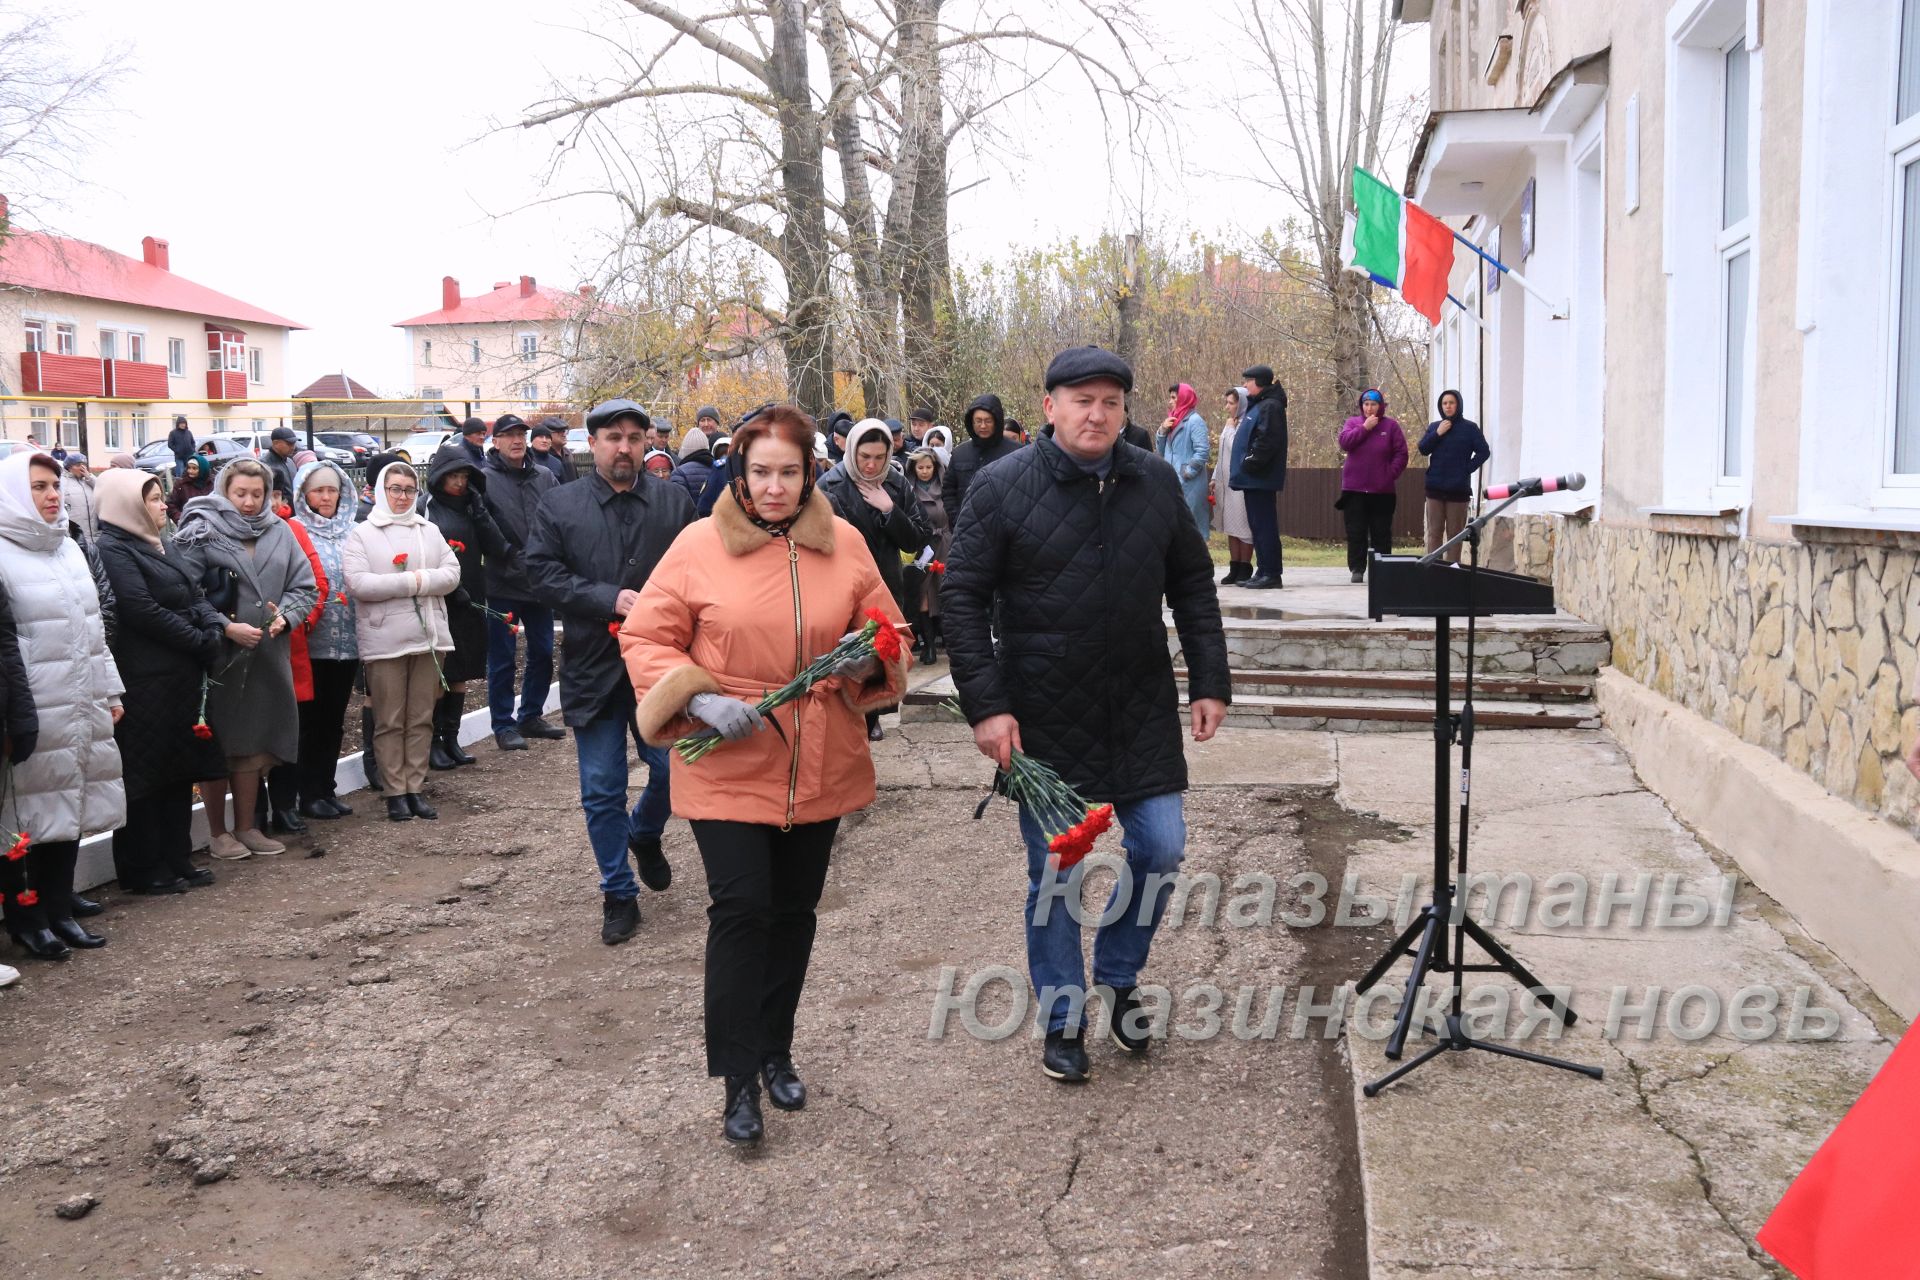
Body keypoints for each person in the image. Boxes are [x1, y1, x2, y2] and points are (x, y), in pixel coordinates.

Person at [622, 403, 909, 1146]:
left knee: (794, 916)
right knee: (741, 912)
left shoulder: (843, 543)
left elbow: (891, 630)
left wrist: (868, 657)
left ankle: (779, 1048)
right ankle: (738, 1080)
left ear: (811, 471)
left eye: (789, 472)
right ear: (740, 474)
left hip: (819, 760)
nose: (776, 487)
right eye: (761, 472)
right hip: (729, 760)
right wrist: (700, 696)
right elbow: (647, 635)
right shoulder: (697, 545)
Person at [944, 345, 1230, 1084]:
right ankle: (1065, 1017)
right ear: (1049, 407)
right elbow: (963, 600)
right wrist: (988, 706)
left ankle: (1120, 973)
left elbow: (1193, 587)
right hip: (1041, 716)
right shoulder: (1001, 488)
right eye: (1080, 400)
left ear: (1124, 409)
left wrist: (1209, 680)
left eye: (1109, 401)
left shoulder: (1156, 482)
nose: (1095, 413)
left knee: (1162, 848)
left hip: (1138, 704)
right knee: (1057, 873)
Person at [527, 398, 693, 946]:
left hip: (661, 668)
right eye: (613, 437)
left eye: (634, 437)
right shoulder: (560, 504)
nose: (624, 447)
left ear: (647, 443)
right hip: (592, 666)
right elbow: (541, 575)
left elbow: (701, 573)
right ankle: (617, 891)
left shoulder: (674, 501)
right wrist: (606, 598)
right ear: (592, 444)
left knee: (673, 772)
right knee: (601, 789)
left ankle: (644, 834)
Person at [0, 451, 125, 960]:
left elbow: (94, 632)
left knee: (68, 804)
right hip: (32, 706)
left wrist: (110, 689)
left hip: (78, 698)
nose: (53, 494)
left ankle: (58, 908)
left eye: (55, 484)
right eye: (38, 486)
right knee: (20, 817)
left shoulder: (67, 548)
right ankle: (27, 919)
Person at [173, 459, 318, 860]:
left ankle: (248, 827)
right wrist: (224, 626)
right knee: (219, 743)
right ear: (224, 490)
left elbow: (304, 587)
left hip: (266, 656)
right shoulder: (200, 529)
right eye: (240, 494)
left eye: (257, 494)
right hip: (217, 657)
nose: (250, 502)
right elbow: (184, 592)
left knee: (253, 741)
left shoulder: (280, 531)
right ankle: (218, 833)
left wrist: (284, 617)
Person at [96, 469, 226, 895]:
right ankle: (142, 867)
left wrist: (210, 628)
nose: (162, 506)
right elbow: (139, 608)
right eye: (152, 499)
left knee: (176, 769)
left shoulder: (159, 543)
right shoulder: (113, 548)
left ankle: (176, 856)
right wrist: (197, 639)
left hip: (180, 678)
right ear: (128, 504)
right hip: (146, 678)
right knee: (145, 775)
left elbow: (194, 593)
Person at [345, 461, 460, 822]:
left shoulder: (428, 530)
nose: (402, 496)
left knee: (421, 716)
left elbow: (452, 573)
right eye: (395, 488)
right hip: (385, 639)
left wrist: (416, 580)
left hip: (428, 636)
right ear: (381, 490)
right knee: (391, 718)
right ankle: (395, 789)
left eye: (409, 490)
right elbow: (360, 584)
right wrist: (415, 583)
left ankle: (415, 786)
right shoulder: (363, 534)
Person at [818, 419, 933, 741]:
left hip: (886, 581)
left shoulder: (895, 484)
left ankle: (873, 714)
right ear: (852, 451)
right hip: (841, 584)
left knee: (879, 653)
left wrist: (889, 510)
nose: (871, 465)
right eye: (865, 456)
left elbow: (918, 538)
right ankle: (852, 716)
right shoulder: (829, 485)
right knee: (847, 653)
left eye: (879, 458)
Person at [425, 444, 509, 769]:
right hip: (442, 598)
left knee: (463, 669)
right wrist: (452, 587)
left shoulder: (472, 507)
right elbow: (428, 552)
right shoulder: (430, 508)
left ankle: (451, 738)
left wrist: (481, 510)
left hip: (471, 596)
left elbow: (497, 546)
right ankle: (432, 741)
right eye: (453, 476)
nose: (459, 483)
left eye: (463, 476)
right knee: (441, 671)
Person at [479, 419, 560, 750]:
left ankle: (530, 715)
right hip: (502, 582)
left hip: (540, 580)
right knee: (503, 657)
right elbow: (482, 525)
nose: (516, 441)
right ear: (495, 441)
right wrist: (508, 555)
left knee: (542, 651)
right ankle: (502, 724)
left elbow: (559, 517)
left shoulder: (544, 475)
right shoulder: (483, 479)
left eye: (520, 435)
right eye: (509, 436)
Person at [289, 461, 360, 821]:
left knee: (334, 720)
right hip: (311, 643)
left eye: (332, 490)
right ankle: (308, 792)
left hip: (348, 643)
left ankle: (326, 787)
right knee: (310, 721)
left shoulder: (353, 530)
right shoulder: (295, 531)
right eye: (319, 490)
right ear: (304, 494)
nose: (327, 497)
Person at [263, 492, 332, 838]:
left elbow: (316, 583)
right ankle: (253, 813)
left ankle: (285, 804)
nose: (259, 501)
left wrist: (300, 621)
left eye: (268, 493)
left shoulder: (292, 530)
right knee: (250, 729)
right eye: (242, 493)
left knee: (291, 726)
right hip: (241, 641)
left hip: (287, 640)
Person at [1337, 388, 1409, 583]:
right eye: (1366, 404)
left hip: (1382, 491)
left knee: (1381, 532)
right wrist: (1365, 428)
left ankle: (1382, 568)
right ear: (1362, 406)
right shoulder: (1353, 423)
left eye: (1374, 405)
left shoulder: (1391, 426)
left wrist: (1389, 474)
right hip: (1354, 489)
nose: (1369, 408)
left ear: (1381, 407)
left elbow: (1401, 454)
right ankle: (1357, 569)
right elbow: (1344, 443)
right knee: (1356, 531)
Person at [1229, 363, 1289, 590]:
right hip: (1253, 478)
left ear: (1260, 382)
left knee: (1264, 525)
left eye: (1248, 380)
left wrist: (1249, 463)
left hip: (1260, 477)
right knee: (1257, 525)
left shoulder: (1271, 406)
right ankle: (1263, 569)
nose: (1244, 385)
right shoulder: (1260, 405)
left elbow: (1267, 441)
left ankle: (1272, 573)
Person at [1418, 389, 1491, 563]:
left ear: (1458, 404)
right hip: (1435, 488)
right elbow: (1423, 449)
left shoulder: (1469, 428)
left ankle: (1452, 571)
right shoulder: (1435, 426)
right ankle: (1433, 569)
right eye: (1444, 403)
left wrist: (1466, 469)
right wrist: (1437, 434)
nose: (1448, 406)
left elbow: (1484, 451)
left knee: (1454, 535)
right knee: (1434, 532)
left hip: (1458, 490)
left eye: (1451, 403)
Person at [942, 393, 1017, 525]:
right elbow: (948, 491)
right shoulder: (960, 453)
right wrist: (957, 520)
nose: (983, 426)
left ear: (997, 422)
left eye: (988, 421)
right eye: (978, 421)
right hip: (967, 531)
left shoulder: (1015, 452)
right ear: (972, 422)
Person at [904, 447, 949, 664]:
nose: (924, 471)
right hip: (922, 547)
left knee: (944, 593)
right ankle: (929, 645)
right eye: (920, 467)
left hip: (945, 545)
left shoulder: (946, 487)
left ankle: (948, 642)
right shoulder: (908, 490)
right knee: (923, 596)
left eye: (928, 467)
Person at [1212, 388, 1254, 584]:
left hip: (1241, 483)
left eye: (1231, 402)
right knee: (1230, 525)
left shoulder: (1246, 424)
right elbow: (1222, 454)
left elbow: (1236, 449)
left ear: (1242, 403)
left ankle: (1245, 566)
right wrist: (1214, 477)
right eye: (1227, 402)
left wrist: (1229, 428)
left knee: (1243, 527)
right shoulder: (1231, 423)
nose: (1227, 407)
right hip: (1225, 482)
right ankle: (1234, 566)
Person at [1157, 383, 1211, 535]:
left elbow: (1202, 452)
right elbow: (1161, 451)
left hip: (1189, 483)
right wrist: (1162, 431)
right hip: (1171, 480)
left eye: (1174, 397)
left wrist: (1187, 472)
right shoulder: (1172, 420)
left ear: (1184, 398)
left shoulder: (1195, 421)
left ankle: (1197, 559)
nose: (1170, 401)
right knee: (1173, 527)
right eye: (1170, 397)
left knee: (1191, 528)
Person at [670, 427, 715, 507]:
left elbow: (676, 505)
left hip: (690, 519)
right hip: (715, 518)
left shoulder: (679, 473)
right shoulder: (718, 469)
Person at [166, 455, 213, 526]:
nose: (190, 471)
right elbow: (170, 505)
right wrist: (181, 519)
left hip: (212, 526)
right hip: (189, 527)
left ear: (202, 469)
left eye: (194, 468)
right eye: (189, 467)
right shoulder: (181, 485)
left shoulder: (212, 483)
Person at [62, 455, 98, 540]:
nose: (82, 468)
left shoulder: (88, 480)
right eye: (78, 465)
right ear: (69, 467)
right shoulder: (62, 482)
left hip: (94, 536)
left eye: (84, 465)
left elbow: (102, 489)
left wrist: (89, 477)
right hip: (74, 537)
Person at [530, 420, 576, 484]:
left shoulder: (566, 455)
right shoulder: (525, 460)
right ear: (532, 440)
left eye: (565, 431)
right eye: (560, 432)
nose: (544, 440)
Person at [263, 426, 300, 505]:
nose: (293, 447)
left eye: (294, 443)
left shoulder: (290, 462)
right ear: (275, 443)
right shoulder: (264, 465)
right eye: (289, 444)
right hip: (277, 513)